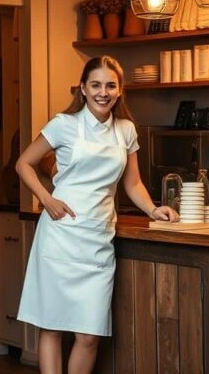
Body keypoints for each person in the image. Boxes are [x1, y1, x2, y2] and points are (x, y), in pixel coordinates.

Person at [14, 55, 178, 374]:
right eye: (96, 85)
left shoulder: (126, 130)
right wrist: (46, 199)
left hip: (98, 239)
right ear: (83, 89)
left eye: (110, 85)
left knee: (89, 335)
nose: (103, 92)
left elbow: (132, 183)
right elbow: (24, 163)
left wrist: (153, 208)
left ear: (120, 91)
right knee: (51, 326)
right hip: (60, 235)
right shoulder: (64, 124)